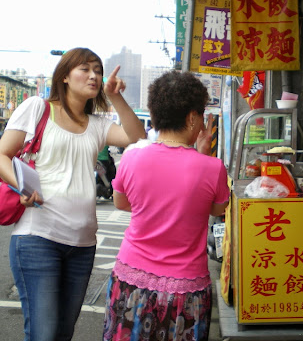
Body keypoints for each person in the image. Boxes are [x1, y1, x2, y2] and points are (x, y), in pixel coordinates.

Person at [0, 48, 146, 340]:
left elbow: (136, 137)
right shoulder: (37, 108)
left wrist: (116, 97)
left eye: (98, 70)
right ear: (64, 76)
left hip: (82, 244)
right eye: (84, 69)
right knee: (44, 333)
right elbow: (3, 154)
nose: (93, 75)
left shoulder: (98, 126)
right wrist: (22, 186)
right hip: (37, 238)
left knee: (63, 333)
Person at [103, 71, 230, 341]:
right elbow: (217, 210)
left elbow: (121, 202)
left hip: (131, 281)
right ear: (192, 117)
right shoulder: (212, 168)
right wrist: (202, 155)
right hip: (187, 292)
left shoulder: (132, 156)